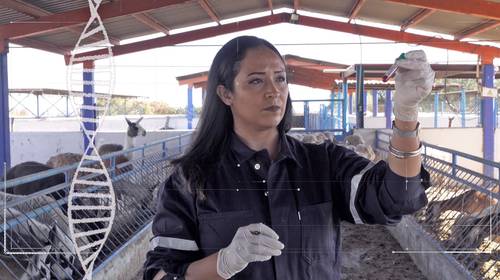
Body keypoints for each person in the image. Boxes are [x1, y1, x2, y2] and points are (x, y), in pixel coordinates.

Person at [143, 36, 434, 280]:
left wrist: (406, 115)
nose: (274, 91)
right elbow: (160, 273)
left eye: (280, 78)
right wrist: (222, 263)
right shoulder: (191, 181)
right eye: (256, 81)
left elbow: (398, 198)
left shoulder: (322, 163)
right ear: (225, 94)